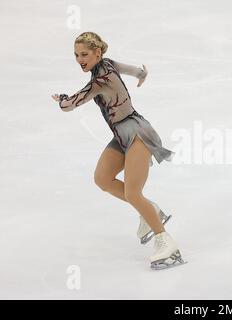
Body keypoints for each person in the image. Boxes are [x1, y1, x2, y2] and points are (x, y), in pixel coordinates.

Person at [52, 32, 184, 269]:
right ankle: (151, 209)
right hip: (121, 136)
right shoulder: (108, 64)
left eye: (84, 54)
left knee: (134, 193)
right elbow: (132, 69)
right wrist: (142, 74)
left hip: (136, 133)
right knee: (102, 178)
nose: (80, 59)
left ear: (97, 53)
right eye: (76, 55)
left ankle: (167, 243)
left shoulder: (100, 81)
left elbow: (70, 105)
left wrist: (62, 99)